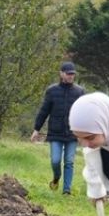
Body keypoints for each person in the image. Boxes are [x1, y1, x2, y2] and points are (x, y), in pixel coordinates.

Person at [31, 61, 84, 195]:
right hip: (55, 132)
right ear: (61, 74)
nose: (71, 76)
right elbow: (44, 111)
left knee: (69, 161)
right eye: (68, 74)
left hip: (72, 132)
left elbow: (84, 113)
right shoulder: (52, 91)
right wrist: (36, 129)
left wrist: (84, 133)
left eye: (73, 74)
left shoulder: (79, 92)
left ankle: (66, 190)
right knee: (55, 160)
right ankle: (56, 178)